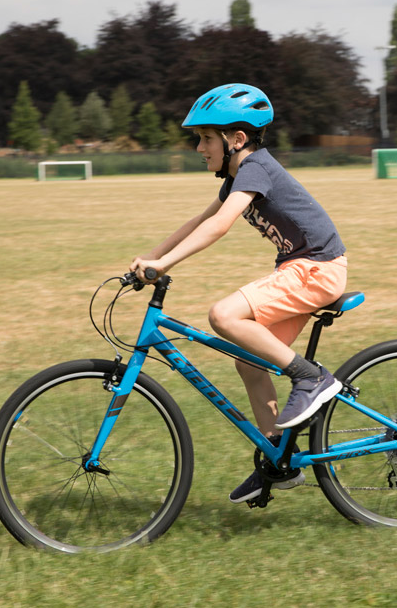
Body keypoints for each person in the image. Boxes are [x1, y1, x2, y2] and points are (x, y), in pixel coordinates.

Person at [130, 83, 348, 504]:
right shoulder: (236, 177)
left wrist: (165, 265)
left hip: (317, 269)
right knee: (250, 362)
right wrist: (149, 257)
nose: (199, 148)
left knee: (224, 316)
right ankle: (276, 461)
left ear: (237, 140)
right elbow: (200, 219)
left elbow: (220, 225)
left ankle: (312, 378)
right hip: (300, 269)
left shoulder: (255, 169)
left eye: (206, 138)